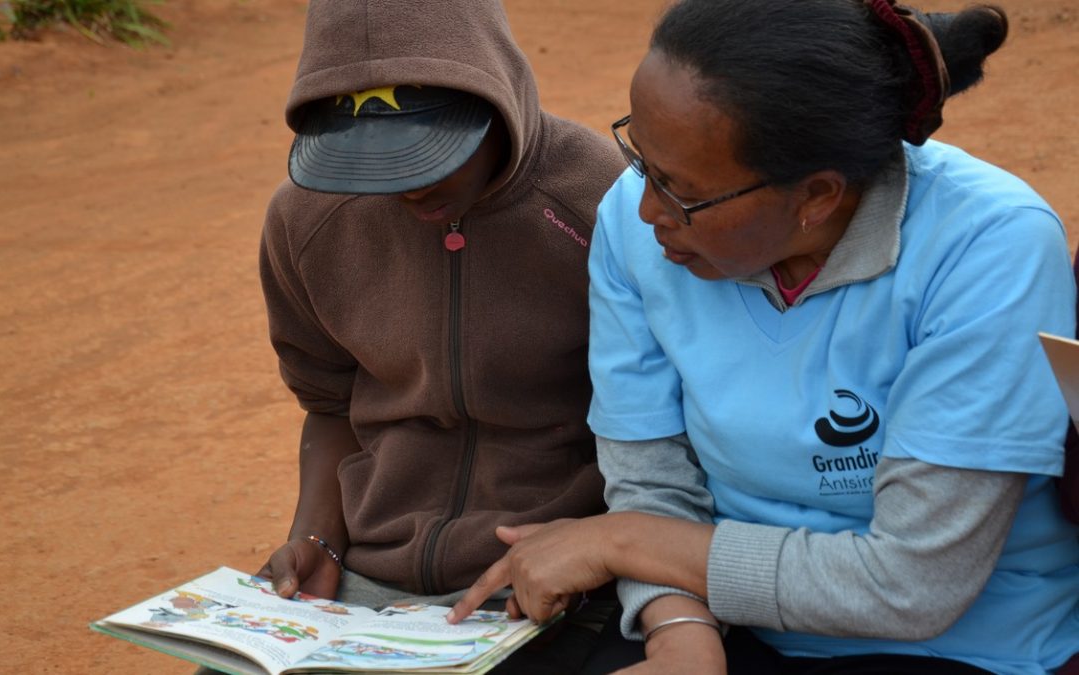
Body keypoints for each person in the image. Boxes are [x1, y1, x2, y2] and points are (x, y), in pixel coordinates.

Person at [449, 0, 1079, 673]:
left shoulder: (986, 249)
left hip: (963, 650)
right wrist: (680, 632)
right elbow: (651, 481)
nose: (646, 210)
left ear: (815, 198)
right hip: (736, 624)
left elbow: (910, 583)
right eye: (642, 160)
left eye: (682, 192)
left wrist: (621, 541)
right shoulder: (639, 233)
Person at [251, 0, 626, 671]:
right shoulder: (305, 221)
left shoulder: (600, 203)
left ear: (496, 97)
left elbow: (658, 420)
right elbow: (329, 401)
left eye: (425, 156)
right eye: (367, 162)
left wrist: (594, 540)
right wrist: (317, 536)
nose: (403, 188)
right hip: (375, 582)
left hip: (555, 572)